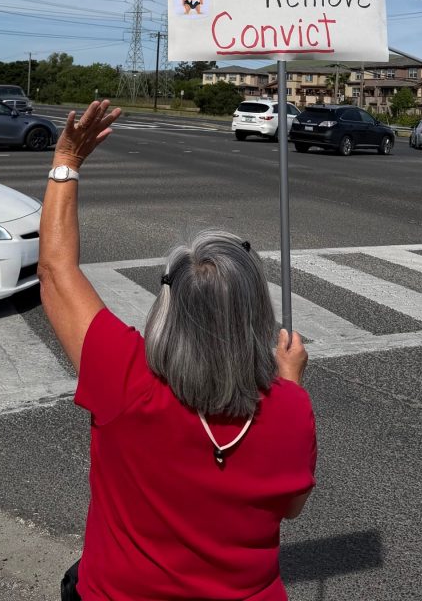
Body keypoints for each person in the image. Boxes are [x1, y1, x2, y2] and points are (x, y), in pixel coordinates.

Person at [38, 100, 316, 601]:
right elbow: (290, 509)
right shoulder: (290, 407)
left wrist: (66, 162)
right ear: (256, 313)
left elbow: (57, 272)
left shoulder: (124, 377)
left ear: (167, 307)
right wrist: (290, 381)